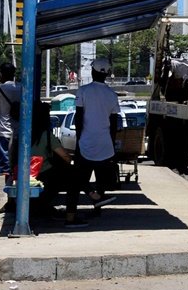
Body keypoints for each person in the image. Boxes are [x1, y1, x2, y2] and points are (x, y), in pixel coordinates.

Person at [64, 56, 120, 228]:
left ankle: (72, 215)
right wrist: (111, 144)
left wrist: (80, 138)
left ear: (92, 71)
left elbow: (79, 119)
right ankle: (97, 204)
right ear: (108, 73)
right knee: (101, 180)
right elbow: (113, 123)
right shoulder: (112, 95)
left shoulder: (83, 91)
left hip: (86, 143)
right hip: (105, 145)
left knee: (76, 181)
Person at [29, 97, 71, 222]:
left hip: (26, 173)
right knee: (72, 175)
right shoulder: (45, 134)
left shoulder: (25, 132)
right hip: (41, 173)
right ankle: (71, 215)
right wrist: (70, 160)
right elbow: (64, 156)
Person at [0, 63, 21, 179]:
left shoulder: (0, 89)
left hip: (3, 130)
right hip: (19, 130)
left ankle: (9, 186)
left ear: (1, 74)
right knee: (17, 161)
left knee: (6, 167)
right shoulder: (21, 87)